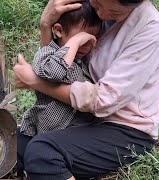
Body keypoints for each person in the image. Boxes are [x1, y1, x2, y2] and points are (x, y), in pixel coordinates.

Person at [14, 0, 159, 179]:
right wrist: (46, 25)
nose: (101, 15)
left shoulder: (148, 27)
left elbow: (104, 100)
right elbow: (55, 70)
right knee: (16, 144)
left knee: (43, 152)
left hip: (126, 129)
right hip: (84, 118)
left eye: (115, 13)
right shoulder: (83, 7)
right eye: (96, 4)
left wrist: (36, 82)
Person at [20, 0, 101, 137]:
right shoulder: (46, 53)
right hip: (47, 130)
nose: (87, 45)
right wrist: (75, 43)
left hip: (78, 130)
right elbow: (54, 73)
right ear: (58, 30)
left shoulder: (83, 60)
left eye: (92, 38)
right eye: (81, 38)